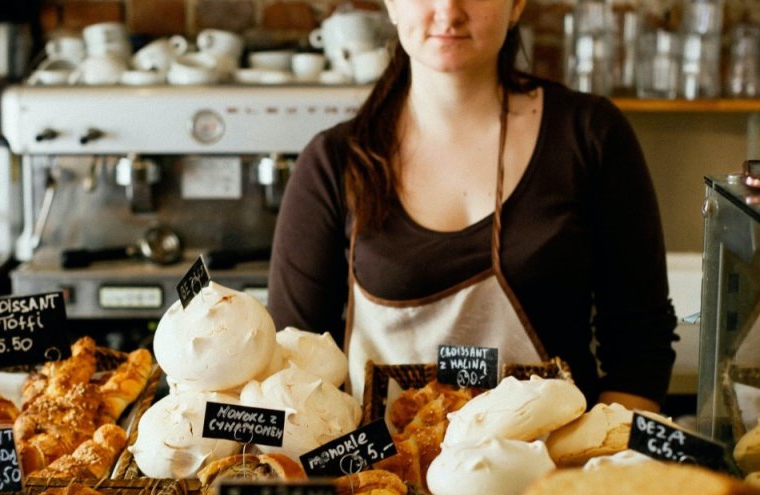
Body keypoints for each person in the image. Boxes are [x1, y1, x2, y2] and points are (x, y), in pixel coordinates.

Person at [266, 0, 677, 412]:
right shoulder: (335, 162)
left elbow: (639, 347)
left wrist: (601, 466)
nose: (448, 10)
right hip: (377, 473)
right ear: (391, 5)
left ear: (516, 6)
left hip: (552, 468)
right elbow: (291, 365)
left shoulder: (589, 135)